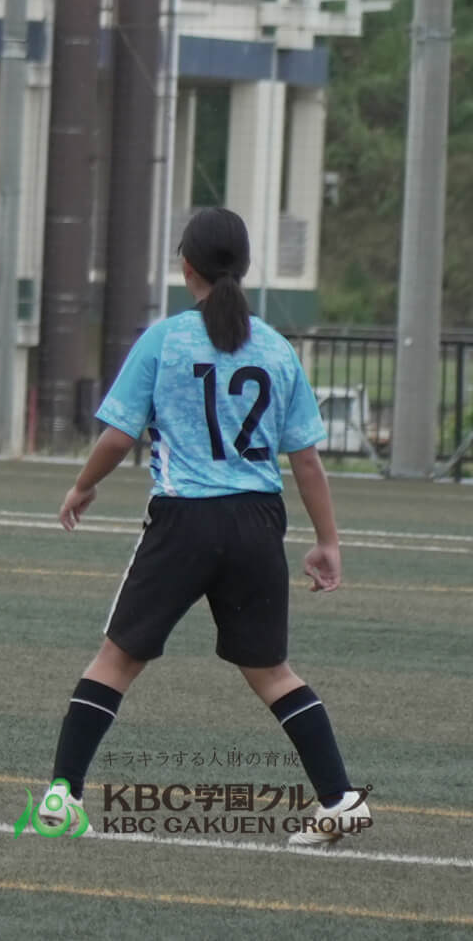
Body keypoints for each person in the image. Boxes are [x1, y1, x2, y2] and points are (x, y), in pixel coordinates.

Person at [43, 207, 368, 847]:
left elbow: (118, 436)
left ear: (185, 266)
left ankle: (63, 795)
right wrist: (328, 541)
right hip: (257, 522)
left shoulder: (164, 340)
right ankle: (340, 800)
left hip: (184, 520)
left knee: (117, 659)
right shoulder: (276, 349)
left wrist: (83, 486)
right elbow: (306, 459)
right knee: (271, 671)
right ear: (242, 267)